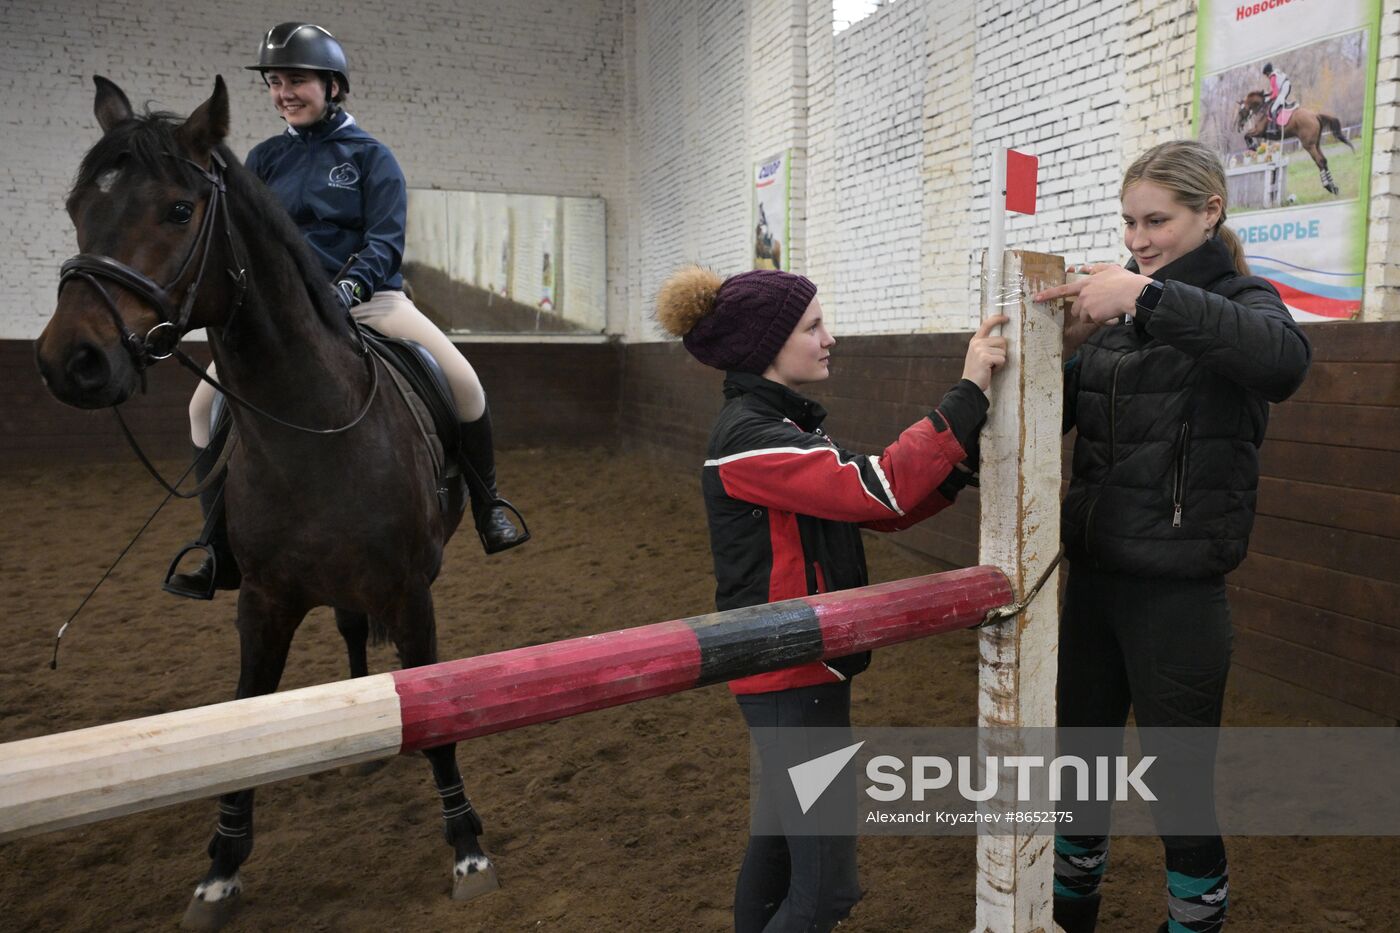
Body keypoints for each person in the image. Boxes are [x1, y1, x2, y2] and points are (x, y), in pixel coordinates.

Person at [655, 265, 1008, 932]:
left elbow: (877, 508)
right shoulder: (750, 437)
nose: (830, 337)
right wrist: (966, 392)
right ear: (767, 346)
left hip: (796, 669)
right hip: (790, 671)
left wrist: (957, 461)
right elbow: (878, 488)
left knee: (779, 852)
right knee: (825, 891)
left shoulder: (774, 425)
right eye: (813, 326)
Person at [1032, 140, 1311, 933]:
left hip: (1178, 599)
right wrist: (1035, 357)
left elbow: (1284, 363)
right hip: (1093, 584)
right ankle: (1066, 913)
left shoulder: (1243, 298)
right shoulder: (1118, 325)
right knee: (1078, 774)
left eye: (1157, 220)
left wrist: (1143, 298)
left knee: (1177, 784)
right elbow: (1046, 421)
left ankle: (1195, 922)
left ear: (1209, 212)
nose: (1139, 238)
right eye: (1129, 221)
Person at [166, 23, 525, 598]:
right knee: (200, 408)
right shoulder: (262, 160)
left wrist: (341, 295)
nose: (285, 92)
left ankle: (490, 508)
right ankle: (216, 546)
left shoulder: (371, 158)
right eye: (276, 82)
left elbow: (384, 243)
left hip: (371, 304)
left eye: (298, 80)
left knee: (466, 384)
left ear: (333, 86)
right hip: (285, 321)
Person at [1262, 62, 1293, 131]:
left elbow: (1275, 94)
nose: (1266, 77)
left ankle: (1274, 128)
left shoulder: (1272, 77)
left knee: (1273, 108)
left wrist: (1268, 99)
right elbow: (1274, 90)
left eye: (1266, 75)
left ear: (1267, 73)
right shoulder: (1275, 72)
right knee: (1278, 103)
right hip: (1286, 86)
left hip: (1284, 88)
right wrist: (1268, 94)